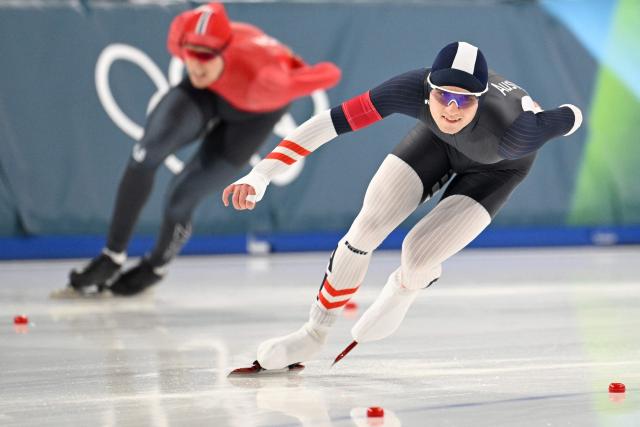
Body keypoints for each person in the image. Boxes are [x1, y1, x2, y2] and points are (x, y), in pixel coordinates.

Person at [222, 41, 583, 371]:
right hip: (435, 143)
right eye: (444, 97)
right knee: (366, 227)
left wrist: (557, 113)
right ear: (429, 89)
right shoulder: (409, 88)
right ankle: (313, 334)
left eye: (466, 100)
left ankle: (409, 284)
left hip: (498, 168)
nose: (452, 110)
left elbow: (569, 116)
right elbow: (328, 124)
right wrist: (261, 174)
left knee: (418, 256)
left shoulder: (517, 131)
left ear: (482, 98)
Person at [65, 2, 341, 296]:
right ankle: (112, 256)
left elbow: (329, 74)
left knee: (181, 197)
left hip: (253, 114)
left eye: (206, 56)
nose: (196, 64)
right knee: (146, 153)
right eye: (190, 53)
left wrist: (293, 63)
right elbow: (201, 27)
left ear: (225, 50)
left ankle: (156, 266)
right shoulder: (182, 34)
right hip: (204, 95)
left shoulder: (269, 77)